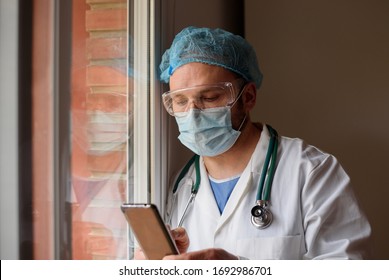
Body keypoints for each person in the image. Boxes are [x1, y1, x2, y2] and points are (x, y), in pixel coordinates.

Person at [137, 26, 372, 260]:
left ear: (248, 97)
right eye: (179, 101)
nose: (193, 113)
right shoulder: (181, 186)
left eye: (209, 97)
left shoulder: (312, 172)